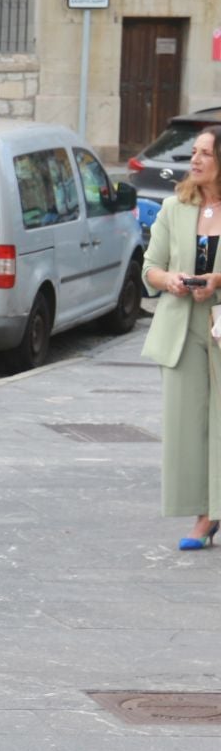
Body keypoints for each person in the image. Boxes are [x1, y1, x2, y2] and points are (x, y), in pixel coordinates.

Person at [142, 127, 221, 550]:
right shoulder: (174, 207)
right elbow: (149, 267)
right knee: (188, 428)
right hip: (181, 326)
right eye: (193, 152)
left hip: (219, 321)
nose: (195, 160)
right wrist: (168, 279)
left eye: (205, 153)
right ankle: (204, 515)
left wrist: (217, 279)